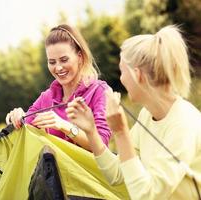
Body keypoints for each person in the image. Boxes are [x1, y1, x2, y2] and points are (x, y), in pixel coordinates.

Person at [66, 25, 201, 199]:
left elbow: (146, 196)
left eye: (122, 71)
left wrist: (121, 132)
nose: (121, 78)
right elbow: (117, 173)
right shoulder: (147, 115)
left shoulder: (183, 124)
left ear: (137, 75)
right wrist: (91, 131)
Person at [5, 24, 111, 151]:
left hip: (88, 170)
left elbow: (102, 145)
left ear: (80, 57)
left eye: (64, 60)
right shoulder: (46, 97)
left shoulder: (99, 91)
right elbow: (26, 131)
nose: (58, 68)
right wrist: (17, 118)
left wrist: (64, 126)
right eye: (52, 62)